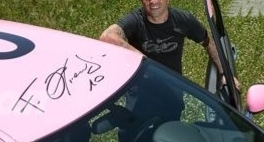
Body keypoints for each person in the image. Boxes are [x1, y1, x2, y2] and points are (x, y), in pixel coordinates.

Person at [99, 0, 240, 91]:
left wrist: (225, 73)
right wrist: (144, 62)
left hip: (172, 89)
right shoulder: (135, 20)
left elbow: (209, 43)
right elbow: (107, 37)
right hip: (140, 92)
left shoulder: (183, 20)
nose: (153, 2)